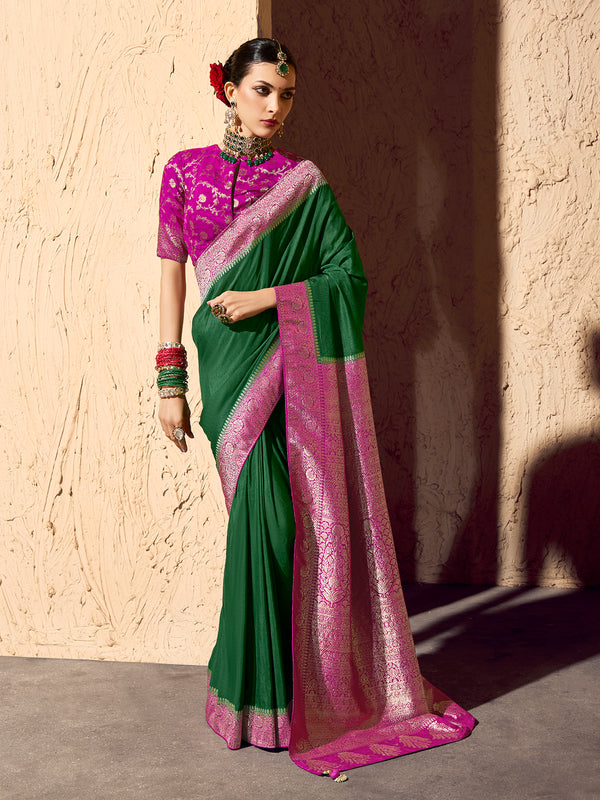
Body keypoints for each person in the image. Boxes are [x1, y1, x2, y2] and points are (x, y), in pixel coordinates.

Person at [156, 37, 474, 781]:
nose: (275, 107)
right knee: (254, 528)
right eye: (263, 90)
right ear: (228, 89)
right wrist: (169, 378)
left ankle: (264, 700)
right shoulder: (183, 173)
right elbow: (170, 275)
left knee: (271, 531)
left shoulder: (304, 184)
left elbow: (347, 279)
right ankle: (253, 695)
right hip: (226, 371)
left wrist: (267, 296)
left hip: (285, 371)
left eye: (287, 95)